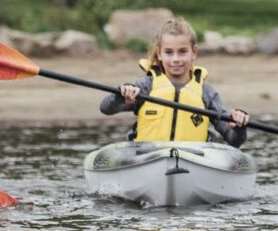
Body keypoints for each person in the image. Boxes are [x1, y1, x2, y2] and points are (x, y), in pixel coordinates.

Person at [100, 16, 250, 147]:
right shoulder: (145, 86)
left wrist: (238, 127)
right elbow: (106, 108)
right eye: (169, 52)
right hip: (149, 159)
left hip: (193, 162)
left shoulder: (206, 93)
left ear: (194, 52)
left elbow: (233, 140)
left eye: (183, 52)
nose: (176, 59)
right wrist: (121, 95)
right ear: (159, 54)